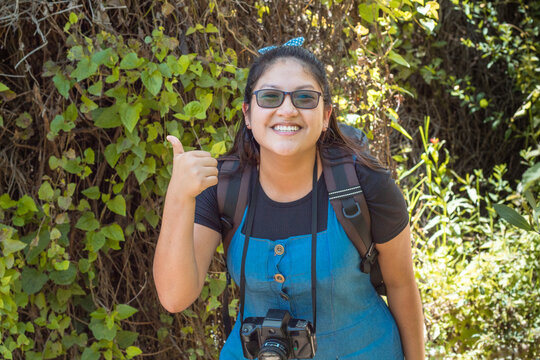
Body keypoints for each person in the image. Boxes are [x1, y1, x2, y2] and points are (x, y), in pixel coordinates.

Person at [153, 39, 425, 359]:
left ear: (325, 117)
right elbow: (174, 297)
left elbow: (401, 285)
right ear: (248, 114)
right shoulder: (224, 188)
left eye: (304, 98)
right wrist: (178, 198)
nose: (287, 109)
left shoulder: (364, 183)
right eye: (270, 97)